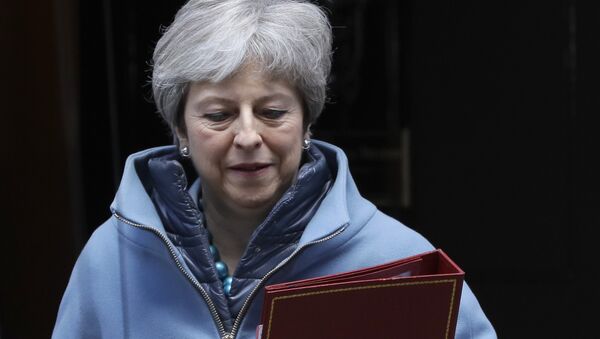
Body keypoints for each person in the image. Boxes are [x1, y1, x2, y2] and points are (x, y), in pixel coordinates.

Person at [53, 0, 497, 338]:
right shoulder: (112, 258)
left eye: (271, 112)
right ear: (180, 130)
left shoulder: (399, 262)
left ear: (307, 122)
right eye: (218, 115)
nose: (247, 136)